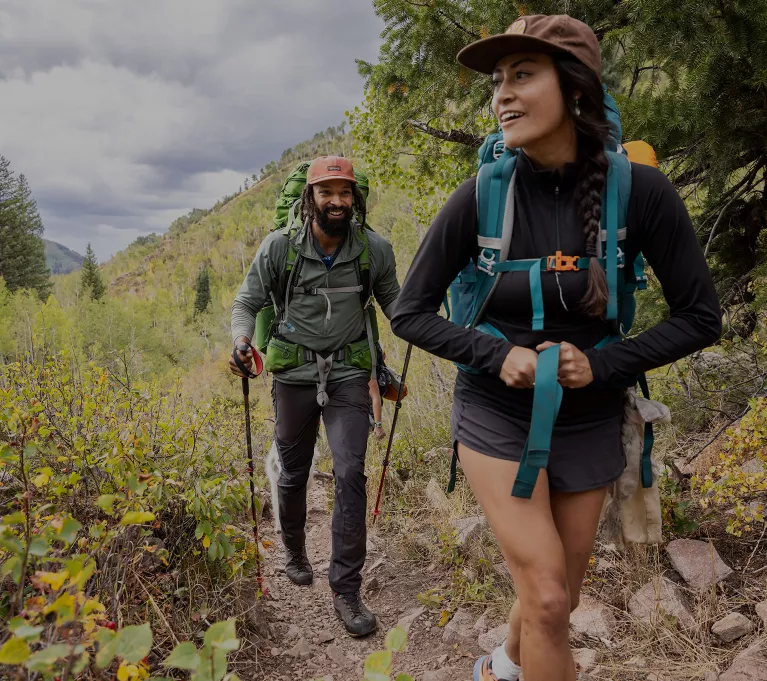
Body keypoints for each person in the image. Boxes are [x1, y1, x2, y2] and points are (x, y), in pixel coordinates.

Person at [391, 14, 721, 681]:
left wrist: (601, 364)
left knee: (560, 598)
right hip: (495, 410)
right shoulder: (481, 195)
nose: (500, 96)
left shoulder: (640, 193)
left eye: (521, 75)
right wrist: (494, 355)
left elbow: (699, 316)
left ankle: (497, 668)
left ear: (573, 88)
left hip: (590, 414)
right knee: (544, 597)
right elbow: (408, 312)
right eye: (497, 81)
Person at [229, 155, 400, 637]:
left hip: (349, 372)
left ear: (355, 198)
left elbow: (396, 306)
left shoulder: (374, 251)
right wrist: (241, 340)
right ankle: (294, 548)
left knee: (350, 472)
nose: (337, 202)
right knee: (293, 468)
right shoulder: (279, 248)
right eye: (327, 193)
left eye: (345, 193)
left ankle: (346, 588)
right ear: (310, 199)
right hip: (292, 372)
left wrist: (433, 324)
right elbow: (247, 302)